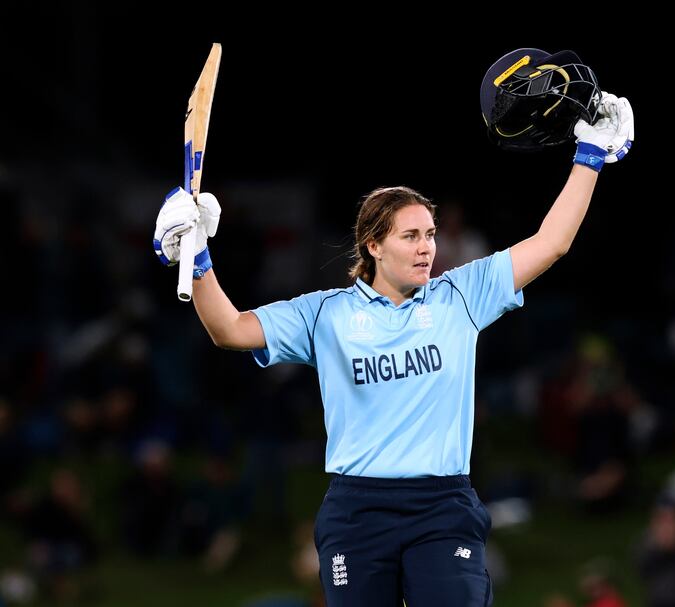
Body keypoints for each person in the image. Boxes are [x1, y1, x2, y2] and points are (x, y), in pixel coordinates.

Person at [152, 89, 633, 604]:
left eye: (430, 233)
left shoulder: (460, 296)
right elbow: (229, 329)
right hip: (358, 510)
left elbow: (551, 242)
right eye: (410, 236)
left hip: (442, 505)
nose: (427, 246)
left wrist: (590, 156)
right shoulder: (326, 314)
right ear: (373, 246)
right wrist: (197, 259)